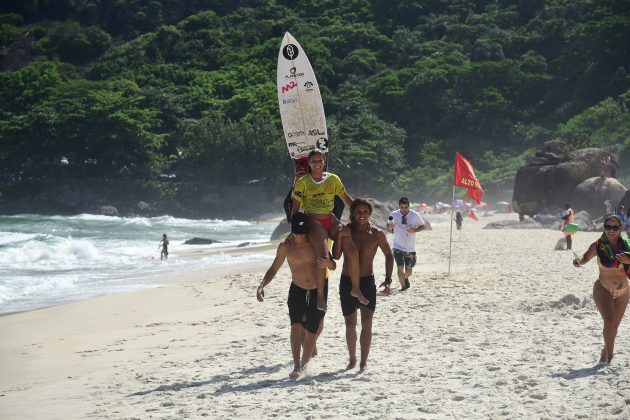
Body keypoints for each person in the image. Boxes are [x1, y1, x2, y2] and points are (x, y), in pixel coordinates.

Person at [256, 212, 335, 378]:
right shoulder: (285, 246)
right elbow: (274, 268)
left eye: (303, 233)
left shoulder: (316, 244)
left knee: (312, 331)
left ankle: (305, 364)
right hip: (297, 289)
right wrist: (262, 285)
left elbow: (333, 265)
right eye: (296, 233)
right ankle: (297, 366)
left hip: (316, 290)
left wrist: (328, 263)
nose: (299, 236)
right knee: (295, 327)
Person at [290, 149, 368, 311]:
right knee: (323, 257)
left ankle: (355, 288)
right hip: (313, 221)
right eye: (313, 161)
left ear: (324, 161)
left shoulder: (333, 179)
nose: (317, 163)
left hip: (330, 218)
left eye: (320, 160)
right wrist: (294, 229)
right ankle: (320, 297)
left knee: (353, 251)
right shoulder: (303, 182)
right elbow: (295, 209)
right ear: (309, 164)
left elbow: (347, 200)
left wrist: (361, 215)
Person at [333, 198, 394, 370]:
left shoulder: (376, 234)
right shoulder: (346, 230)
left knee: (367, 322)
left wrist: (388, 280)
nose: (362, 215)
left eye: (365, 212)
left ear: (370, 214)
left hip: (367, 281)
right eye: (358, 212)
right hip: (347, 281)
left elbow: (389, 255)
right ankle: (352, 359)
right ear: (352, 213)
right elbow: (336, 256)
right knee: (350, 323)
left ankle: (363, 362)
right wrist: (340, 236)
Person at [573, 214, 630, 364]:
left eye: (614, 227)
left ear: (620, 229)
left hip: (624, 292)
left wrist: (628, 259)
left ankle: (605, 352)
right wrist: (578, 262)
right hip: (603, 288)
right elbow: (584, 259)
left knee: (614, 328)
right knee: (609, 322)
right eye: (607, 227)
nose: (611, 230)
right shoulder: (598, 246)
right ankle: (610, 358)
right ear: (604, 228)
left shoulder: (627, 246)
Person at [387, 197, 426, 291]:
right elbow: (388, 225)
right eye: (402, 207)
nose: (404, 209)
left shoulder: (415, 215)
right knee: (399, 267)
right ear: (399, 207)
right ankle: (403, 287)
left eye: (406, 207)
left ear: (409, 206)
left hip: (410, 248)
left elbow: (424, 226)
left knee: (408, 271)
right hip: (397, 246)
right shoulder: (394, 214)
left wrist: (415, 230)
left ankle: (405, 277)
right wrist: (390, 226)